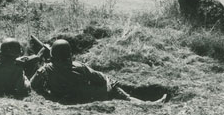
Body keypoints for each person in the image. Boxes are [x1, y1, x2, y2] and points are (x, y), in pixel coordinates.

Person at [31, 39, 166, 104]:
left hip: (66, 97)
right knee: (114, 87)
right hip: (89, 96)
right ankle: (146, 104)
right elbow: (100, 78)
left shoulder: (46, 70)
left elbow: (34, 85)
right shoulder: (79, 67)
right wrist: (108, 81)